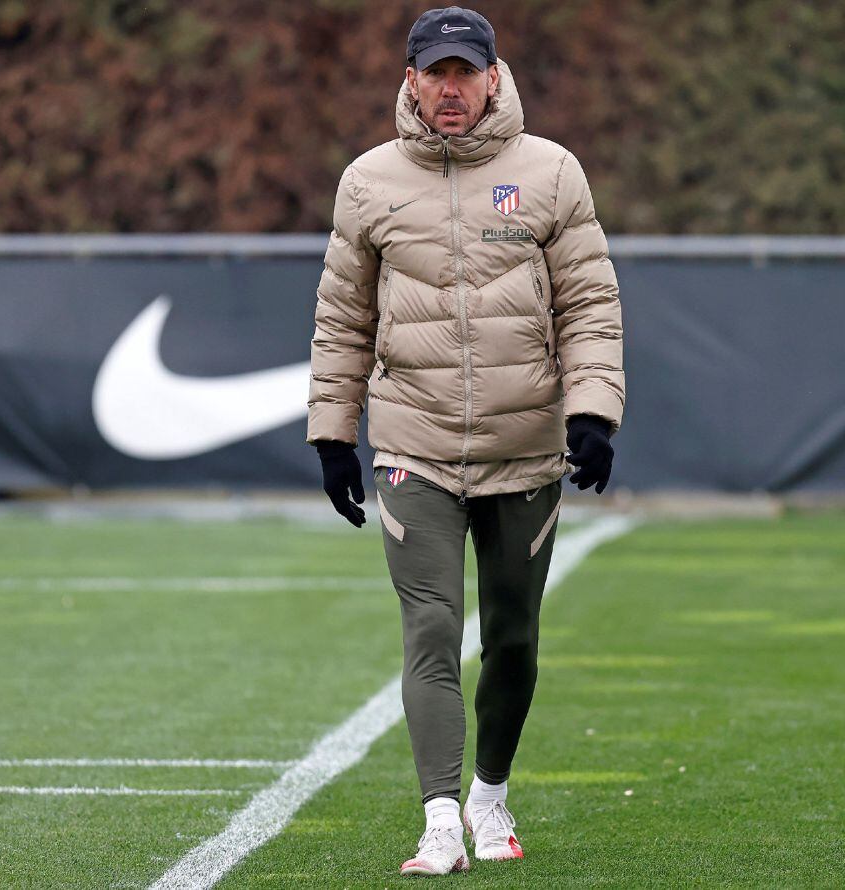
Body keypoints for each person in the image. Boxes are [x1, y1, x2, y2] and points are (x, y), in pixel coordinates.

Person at [306, 5, 625, 877]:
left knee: (514, 637)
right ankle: (440, 819)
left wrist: (592, 413)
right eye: (435, 73)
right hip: (414, 446)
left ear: (493, 75)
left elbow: (591, 304)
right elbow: (343, 319)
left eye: (465, 72)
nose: (451, 89)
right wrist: (335, 432)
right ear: (410, 79)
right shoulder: (368, 181)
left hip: (526, 449)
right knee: (433, 628)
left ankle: (489, 794)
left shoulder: (552, 172)